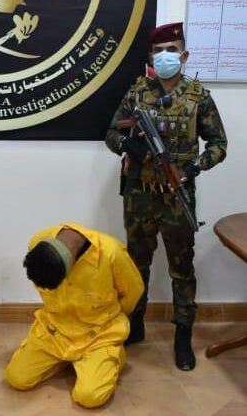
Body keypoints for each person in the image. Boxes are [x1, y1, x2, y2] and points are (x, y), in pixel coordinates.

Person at [105, 22, 227, 370]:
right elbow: (111, 132)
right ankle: (136, 323)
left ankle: (182, 335)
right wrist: (129, 146)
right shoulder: (137, 93)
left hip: (177, 196)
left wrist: (193, 168)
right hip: (139, 196)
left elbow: (219, 145)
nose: (164, 57)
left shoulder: (199, 97)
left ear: (184, 56)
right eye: (158, 52)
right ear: (150, 57)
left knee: (181, 268)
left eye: (171, 50)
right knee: (136, 264)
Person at [5, 223, 143, 408]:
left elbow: (133, 293)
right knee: (16, 378)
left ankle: (112, 355)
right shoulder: (38, 243)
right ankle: (66, 360)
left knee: (89, 397)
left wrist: (112, 319)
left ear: (72, 266)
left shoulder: (110, 253)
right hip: (55, 332)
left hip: (98, 336)